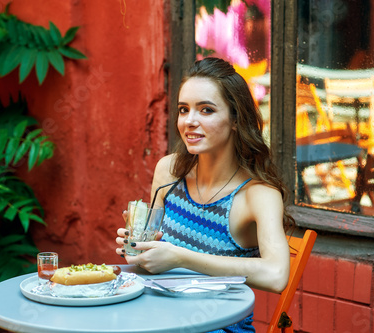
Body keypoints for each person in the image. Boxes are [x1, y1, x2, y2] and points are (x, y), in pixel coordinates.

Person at [115, 57, 294, 332]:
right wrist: (139, 251)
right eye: (183, 109)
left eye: (206, 110)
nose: (189, 121)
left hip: (219, 327)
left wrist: (181, 257)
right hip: (158, 319)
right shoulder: (169, 172)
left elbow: (277, 275)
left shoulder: (257, 194)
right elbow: (146, 265)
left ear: (235, 119)